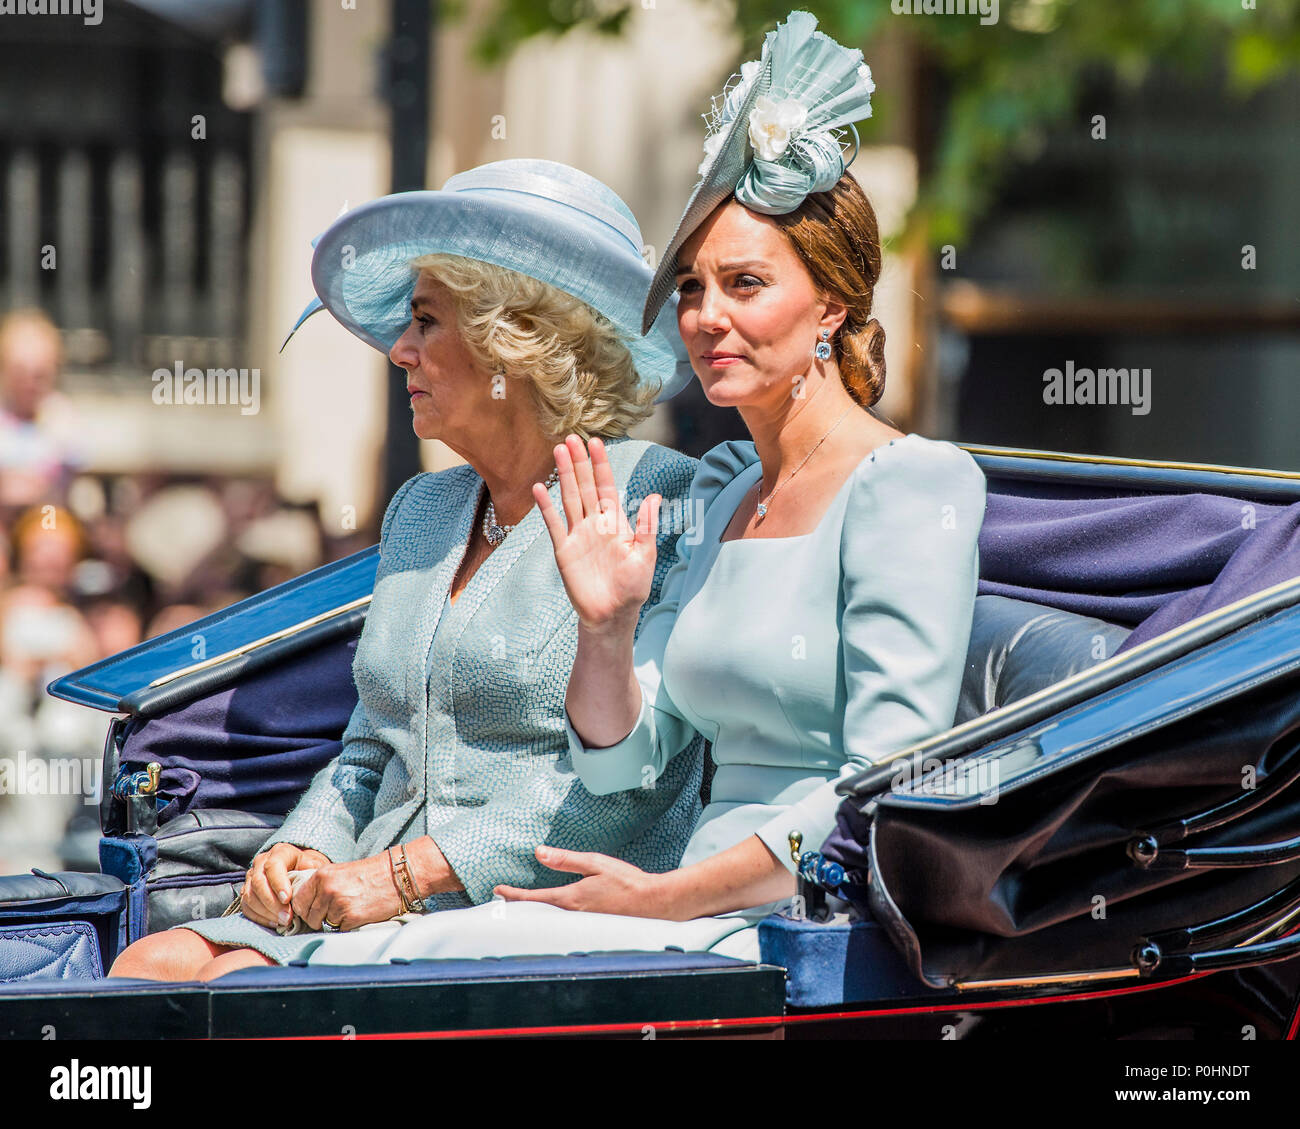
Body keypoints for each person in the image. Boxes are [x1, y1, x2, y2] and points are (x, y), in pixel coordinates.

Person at [290, 10, 988, 966]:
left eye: (745, 284)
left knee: (384, 964)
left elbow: (883, 788)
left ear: (830, 302)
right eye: (693, 289)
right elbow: (625, 759)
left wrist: (667, 899)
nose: (706, 318)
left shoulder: (910, 484)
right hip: (674, 911)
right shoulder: (724, 487)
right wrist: (607, 628)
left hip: (808, 924)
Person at [108, 159, 703, 980]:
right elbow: (367, 749)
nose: (399, 350)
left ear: (514, 341)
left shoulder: (651, 495)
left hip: (534, 911)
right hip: (362, 897)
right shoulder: (421, 510)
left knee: (232, 998)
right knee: (148, 965)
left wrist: (405, 874)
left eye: (425, 321)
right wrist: (299, 845)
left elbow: (635, 787)